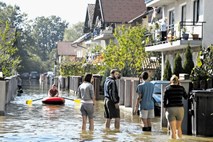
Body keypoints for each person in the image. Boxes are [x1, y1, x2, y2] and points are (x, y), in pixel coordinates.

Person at [163, 75, 187, 139]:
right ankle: (180, 139)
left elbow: (164, 101)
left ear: (171, 81)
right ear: (178, 81)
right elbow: (186, 97)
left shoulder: (167, 88)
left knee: (173, 130)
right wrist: (180, 86)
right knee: (179, 127)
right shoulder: (181, 88)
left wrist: (165, 109)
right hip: (180, 109)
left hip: (171, 109)